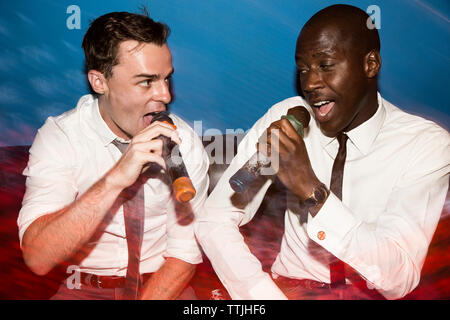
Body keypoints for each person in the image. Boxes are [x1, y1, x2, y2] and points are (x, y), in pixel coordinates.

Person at [195, 4, 449, 300]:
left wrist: (311, 189)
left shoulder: (426, 144)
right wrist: (261, 293)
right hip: (287, 289)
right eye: (303, 70)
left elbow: (398, 279)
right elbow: (214, 219)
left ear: (370, 65)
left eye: (325, 65)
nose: (311, 84)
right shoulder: (286, 118)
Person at [18, 11, 209, 300]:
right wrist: (115, 179)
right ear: (99, 82)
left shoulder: (184, 141)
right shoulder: (62, 136)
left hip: (163, 286)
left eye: (166, 79)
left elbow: (183, 255)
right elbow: (38, 259)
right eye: (146, 81)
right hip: (82, 289)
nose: (166, 95)